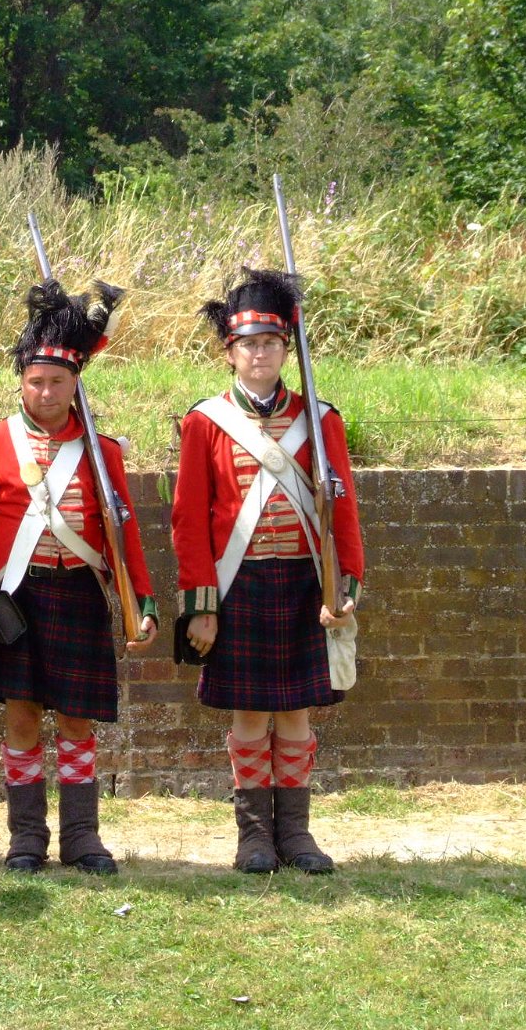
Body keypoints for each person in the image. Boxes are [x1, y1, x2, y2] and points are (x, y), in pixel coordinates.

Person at [0, 280, 157, 875]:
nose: (47, 391)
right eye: (36, 381)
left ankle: (83, 838)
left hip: (78, 590)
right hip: (15, 595)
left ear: (75, 382)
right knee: (22, 715)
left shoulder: (101, 451)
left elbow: (123, 533)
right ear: (21, 382)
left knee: (77, 717)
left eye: (57, 381)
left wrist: (144, 600)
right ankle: (26, 838)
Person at [170, 268, 364, 874]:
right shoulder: (205, 421)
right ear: (229, 352)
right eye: (249, 345)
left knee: (297, 712)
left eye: (272, 344)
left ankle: (297, 835)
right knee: (250, 712)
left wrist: (345, 585)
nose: (261, 354)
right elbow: (189, 520)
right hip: (241, 582)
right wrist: (201, 604)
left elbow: (346, 509)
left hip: (306, 582)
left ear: (287, 348)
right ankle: (254, 836)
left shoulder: (321, 419)